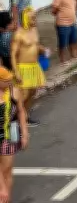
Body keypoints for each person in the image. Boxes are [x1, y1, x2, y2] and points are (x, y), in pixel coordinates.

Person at [10, 8, 47, 127]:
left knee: (33, 92)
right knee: (23, 95)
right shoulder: (18, 34)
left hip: (34, 67)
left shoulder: (34, 30)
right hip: (23, 68)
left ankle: (25, 116)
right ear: (26, 19)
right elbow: (13, 54)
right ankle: (15, 118)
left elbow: (36, 45)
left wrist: (43, 50)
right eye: (32, 18)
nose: (35, 20)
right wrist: (16, 72)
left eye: (35, 17)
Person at [0, 67, 28, 203]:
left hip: (8, 136)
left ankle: (6, 198)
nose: (10, 81)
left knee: (7, 169)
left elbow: (21, 111)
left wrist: (25, 133)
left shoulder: (14, 91)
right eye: (6, 80)